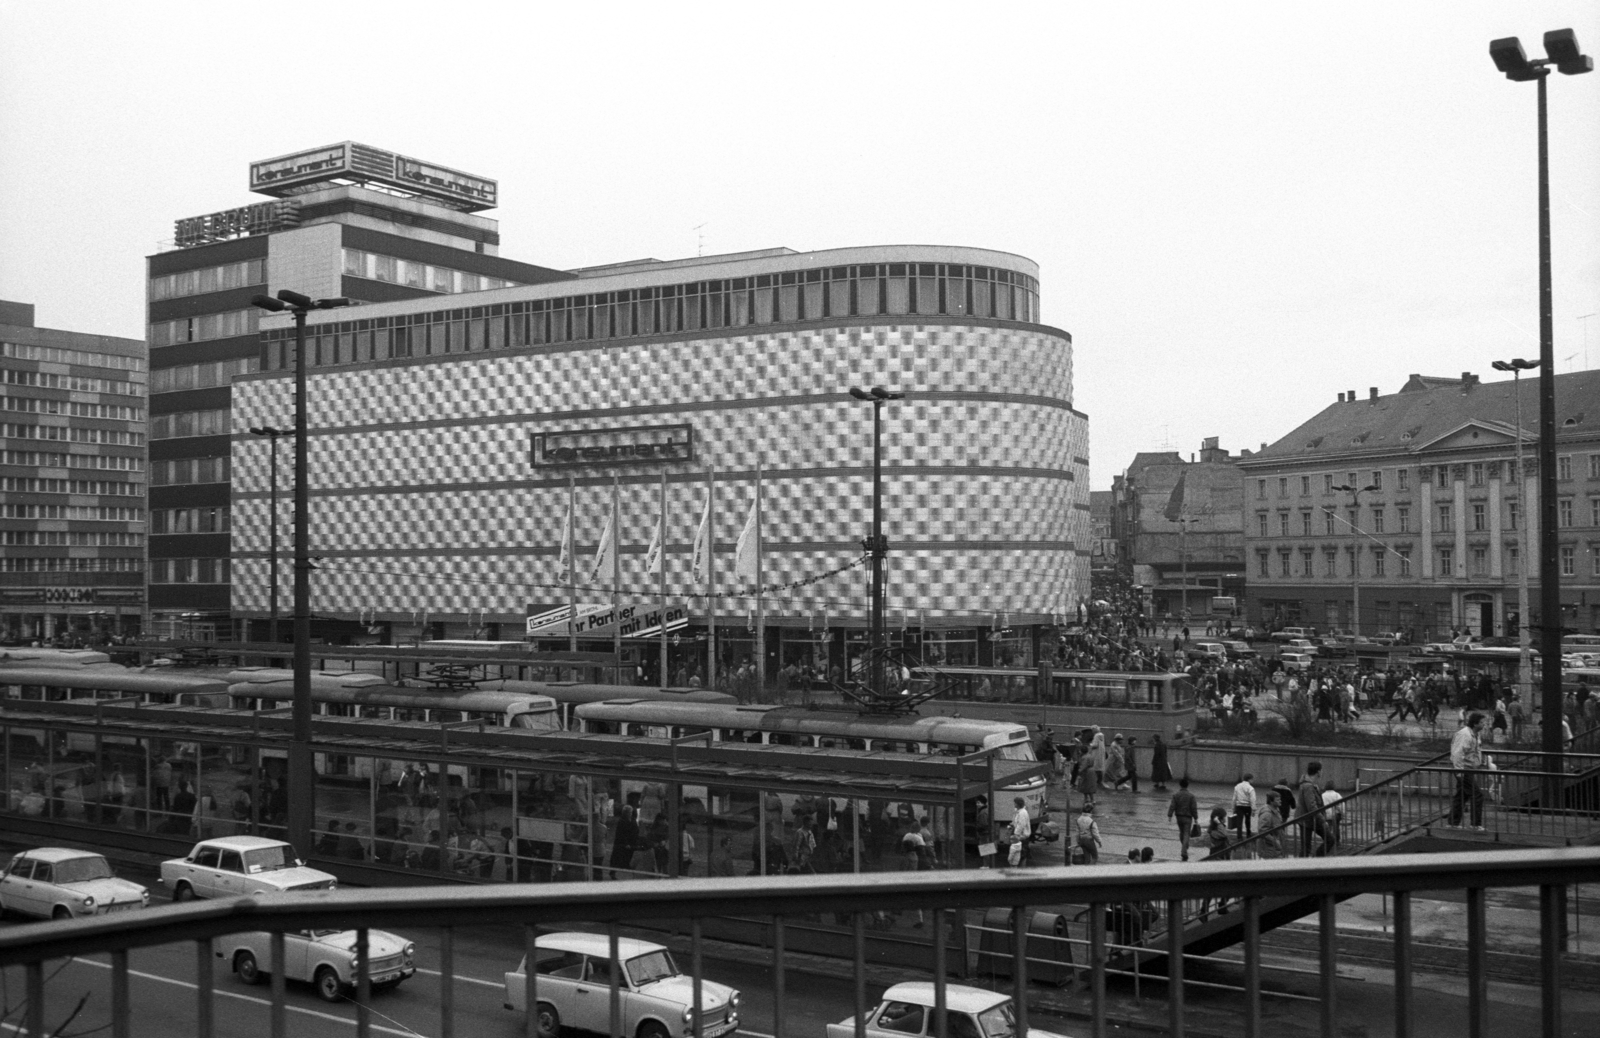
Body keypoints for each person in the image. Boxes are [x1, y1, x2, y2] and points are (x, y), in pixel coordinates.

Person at [1448, 711, 1487, 830]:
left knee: (1462, 795)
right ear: (1475, 724)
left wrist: (1479, 762)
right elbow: (1458, 753)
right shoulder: (1465, 735)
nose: (1484, 724)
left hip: (1468, 768)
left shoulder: (1475, 734)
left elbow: (1475, 750)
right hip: (1464, 769)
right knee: (1477, 795)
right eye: (1482, 722)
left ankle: (1453, 822)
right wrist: (1459, 771)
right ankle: (1475, 824)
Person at [1296, 762, 1326, 857]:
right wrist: (1323, 820)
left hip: (1308, 820)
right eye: (1321, 770)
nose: (1322, 772)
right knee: (1306, 848)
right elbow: (1312, 807)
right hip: (1308, 820)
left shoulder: (1310, 785)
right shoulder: (1309, 786)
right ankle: (1313, 862)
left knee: (1306, 848)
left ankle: (1310, 863)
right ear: (1318, 772)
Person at [1166, 777, 1198, 862]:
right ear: (1187, 786)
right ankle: (1184, 850)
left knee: (1182, 832)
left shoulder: (1176, 795)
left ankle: (1184, 844)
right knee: (1187, 833)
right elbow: (1193, 808)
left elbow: (1172, 805)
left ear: (1180, 785)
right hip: (1188, 817)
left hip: (1179, 817)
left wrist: (1170, 815)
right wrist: (1196, 818)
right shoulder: (1191, 796)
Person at [1008, 797, 1032, 866]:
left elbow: (1021, 825)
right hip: (1020, 836)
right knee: (1019, 853)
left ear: (1017, 804)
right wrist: (1012, 825)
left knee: (1022, 854)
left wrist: (1015, 834)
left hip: (1021, 836)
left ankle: (1021, 869)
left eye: (1015, 803)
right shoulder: (1018, 811)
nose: (1014, 804)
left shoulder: (1022, 813)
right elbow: (1016, 822)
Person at [1232, 773, 1258, 837]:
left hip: (1239, 806)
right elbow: (1253, 799)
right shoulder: (1250, 788)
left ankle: (1239, 835)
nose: (1253, 781)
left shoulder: (1237, 786)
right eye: (1252, 779)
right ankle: (1248, 834)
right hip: (1247, 806)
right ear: (1249, 779)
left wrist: (1233, 808)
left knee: (1239, 822)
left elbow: (1234, 798)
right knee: (1247, 820)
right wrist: (1253, 809)